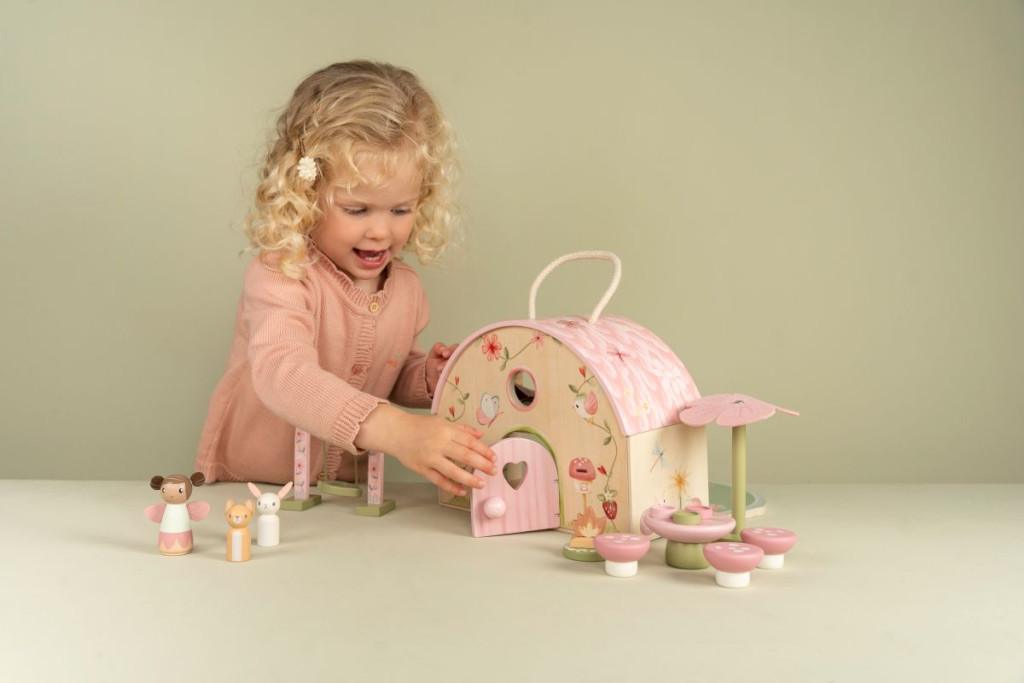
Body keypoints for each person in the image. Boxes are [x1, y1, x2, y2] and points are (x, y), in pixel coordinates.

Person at [195, 60, 496, 496]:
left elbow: (387, 371)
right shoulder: (282, 274)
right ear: (305, 193)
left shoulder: (406, 288)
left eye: (401, 209)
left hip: (342, 496)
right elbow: (283, 373)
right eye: (357, 210)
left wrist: (427, 377)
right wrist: (396, 431)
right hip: (254, 489)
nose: (381, 231)